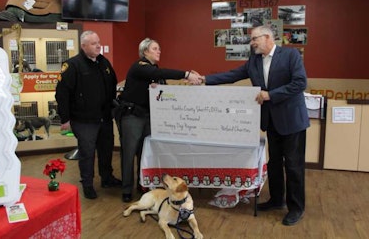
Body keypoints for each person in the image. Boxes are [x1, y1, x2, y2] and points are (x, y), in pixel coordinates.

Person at [200, 25, 309, 226]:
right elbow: (232, 75)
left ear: (268, 37)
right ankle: (277, 200)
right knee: (274, 164)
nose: (252, 43)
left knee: (293, 166)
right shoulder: (254, 61)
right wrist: (204, 79)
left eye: (254, 39)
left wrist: (271, 95)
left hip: (293, 121)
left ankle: (296, 208)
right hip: (272, 122)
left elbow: (300, 83)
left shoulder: (290, 55)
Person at [117, 38, 200, 202]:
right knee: (129, 153)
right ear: (145, 51)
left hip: (148, 117)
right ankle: (127, 189)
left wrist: (184, 84)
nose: (159, 51)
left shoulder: (154, 71)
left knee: (145, 152)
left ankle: (143, 184)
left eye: (159, 48)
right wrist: (186, 74)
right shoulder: (140, 67)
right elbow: (157, 74)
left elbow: (164, 89)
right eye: (155, 48)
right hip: (132, 116)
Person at [55, 30, 121, 199]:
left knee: (106, 150)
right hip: (84, 120)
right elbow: (62, 94)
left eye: (98, 42)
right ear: (83, 46)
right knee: (87, 153)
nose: (98, 46)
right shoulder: (72, 65)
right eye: (93, 43)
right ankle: (88, 184)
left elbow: (112, 84)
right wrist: (65, 118)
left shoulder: (103, 62)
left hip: (104, 117)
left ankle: (107, 178)